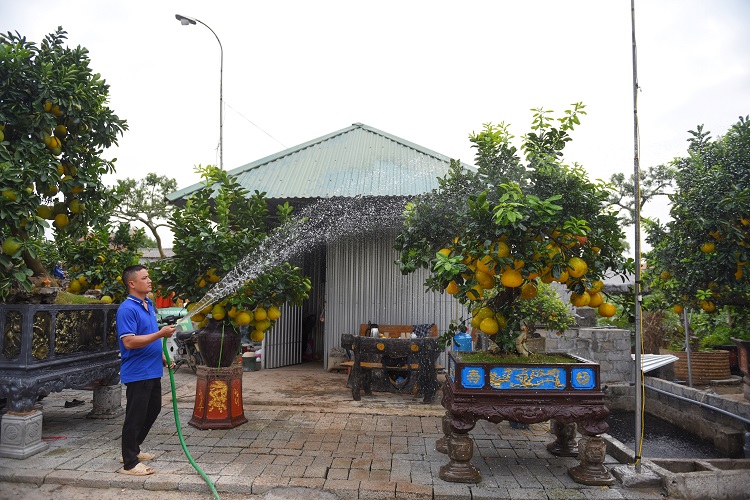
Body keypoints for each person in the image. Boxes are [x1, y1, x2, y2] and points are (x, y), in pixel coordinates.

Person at [115, 264, 176, 476]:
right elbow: (130, 341)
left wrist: (161, 355)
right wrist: (160, 334)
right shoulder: (127, 309)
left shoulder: (147, 304)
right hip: (138, 372)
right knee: (135, 416)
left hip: (152, 370)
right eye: (145, 277)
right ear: (132, 283)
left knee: (152, 410)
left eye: (149, 276)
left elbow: (147, 336)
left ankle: (131, 449)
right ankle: (130, 464)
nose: (149, 281)